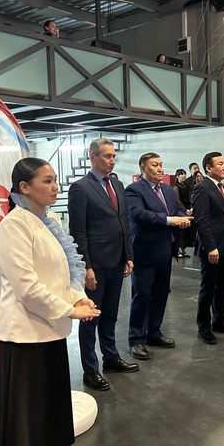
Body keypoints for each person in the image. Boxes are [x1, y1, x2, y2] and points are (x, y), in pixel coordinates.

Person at [0, 158, 99, 446]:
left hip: (49, 331)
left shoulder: (50, 222)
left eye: (55, 180)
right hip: (25, 336)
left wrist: (79, 298)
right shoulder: (13, 226)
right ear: (24, 187)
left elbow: (61, 273)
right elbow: (26, 287)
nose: (55, 187)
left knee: (49, 414)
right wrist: (69, 310)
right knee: (29, 420)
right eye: (47, 181)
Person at [68, 138, 139, 392]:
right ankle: (90, 369)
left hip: (117, 260)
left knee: (110, 314)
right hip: (95, 265)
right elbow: (78, 231)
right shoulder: (81, 188)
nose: (112, 160)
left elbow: (124, 223)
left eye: (113, 156)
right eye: (107, 156)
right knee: (91, 318)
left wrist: (128, 255)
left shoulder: (117, 184)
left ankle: (111, 357)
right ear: (92, 157)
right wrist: (85, 266)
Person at [125, 153, 191, 360]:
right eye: (154, 165)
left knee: (161, 294)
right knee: (142, 295)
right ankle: (136, 339)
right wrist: (170, 220)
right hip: (145, 252)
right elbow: (138, 215)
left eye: (161, 165)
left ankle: (154, 332)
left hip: (165, 250)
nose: (160, 169)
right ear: (143, 168)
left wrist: (183, 218)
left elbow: (177, 209)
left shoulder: (167, 190)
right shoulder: (134, 190)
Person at [192, 152, 224, 344]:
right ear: (208, 167)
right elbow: (202, 221)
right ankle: (203, 326)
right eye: (220, 164)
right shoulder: (202, 188)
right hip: (212, 249)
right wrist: (210, 247)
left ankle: (219, 321)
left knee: (223, 286)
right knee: (208, 288)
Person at [173, 168, 193, 258]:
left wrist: (191, 208)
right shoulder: (176, 187)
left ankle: (184, 250)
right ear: (177, 176)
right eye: (181, 174)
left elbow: (190, 197)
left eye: (185, 174)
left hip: (188, 209)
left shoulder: (187, 186)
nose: (184, 176)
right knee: (180, 232)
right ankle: (178, 251)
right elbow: (177, 200)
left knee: (186, 232)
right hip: (180, 211)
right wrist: (185, 210)